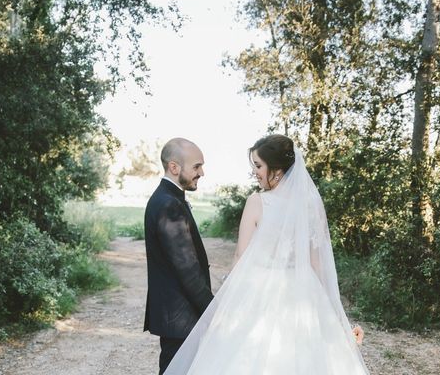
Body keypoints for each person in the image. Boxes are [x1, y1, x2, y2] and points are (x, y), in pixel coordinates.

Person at [164, 134, 369, 375]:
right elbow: (319, 267)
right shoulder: (311, 206)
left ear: (278, 169)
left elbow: (240, 256)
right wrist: (339, 321)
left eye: (258, 166)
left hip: (258, 293)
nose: (254, 172)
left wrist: (224, 308)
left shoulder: (257, 202)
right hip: (306, 295)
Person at [144, 138, 214, 374]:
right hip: (180, 316)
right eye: (196, 166)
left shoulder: (169, 198)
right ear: (174, 167)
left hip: (180, 315)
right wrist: (212, 310)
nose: (201, 172)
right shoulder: (168, 204)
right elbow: (187, 269)